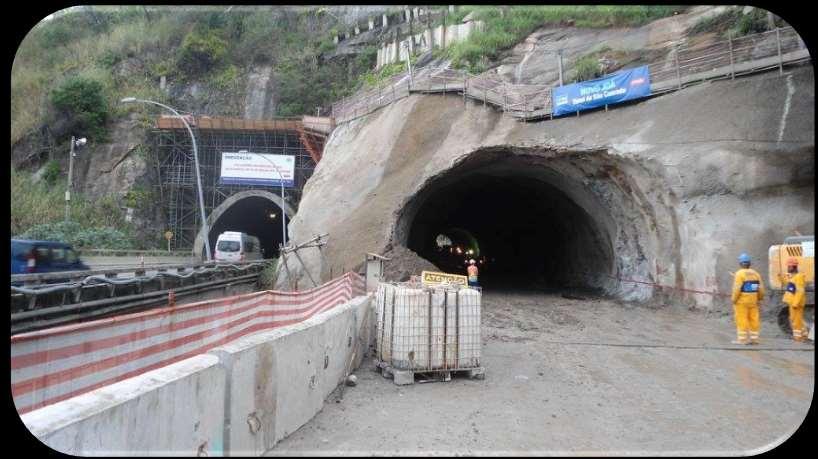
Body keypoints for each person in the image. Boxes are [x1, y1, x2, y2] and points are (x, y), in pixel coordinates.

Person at [731, 252, 765, 345]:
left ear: (740, 263)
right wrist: (759, 298)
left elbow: (737, 289)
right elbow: (761, 289)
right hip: (753, 301)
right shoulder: (756, 274)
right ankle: (754, 339)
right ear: (749, 263)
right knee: (754, 319)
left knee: (742, 319)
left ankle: (742, 339)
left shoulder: (739, 274)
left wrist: (734, 299)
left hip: (742, 301)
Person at [782, 257, 808, 341]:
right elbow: (788, 285)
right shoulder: (793, 277)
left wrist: (795, 303)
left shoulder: (799, 277)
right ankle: (804, 335)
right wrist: (781, 277)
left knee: (795, 321)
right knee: (797, 319)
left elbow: (800, 292)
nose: (787, 268)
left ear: (793, 267)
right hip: (792, 302)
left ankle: (798, 338)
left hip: (796, 303)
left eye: (789, 266)